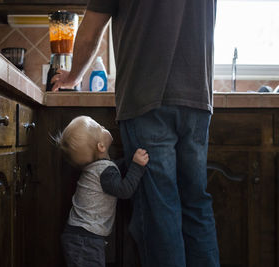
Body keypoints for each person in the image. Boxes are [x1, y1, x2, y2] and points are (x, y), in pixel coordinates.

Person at [51, 0, 220, 266]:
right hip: (197, 97)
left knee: (160, 209)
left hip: (146, 97)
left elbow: (91, 29)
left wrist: (72, 77)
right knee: (196, 204)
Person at [55, 115, 149, 267]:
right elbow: (124, 190)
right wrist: (137, 166)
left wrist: (130, 162)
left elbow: (114, 169)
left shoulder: (98, 168)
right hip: (86, 239)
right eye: (100, 128)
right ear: (101, 146)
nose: (104, 127)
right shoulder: (105, 172)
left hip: (79, 235)